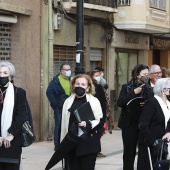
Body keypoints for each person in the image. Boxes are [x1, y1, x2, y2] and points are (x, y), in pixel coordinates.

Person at [60, 74, 103, 170]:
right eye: (77, 84)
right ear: (73, 86)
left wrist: (88, 124)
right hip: (72, 143)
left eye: (83, 84)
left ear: (88, 88)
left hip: (88, 144)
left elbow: (100, 121)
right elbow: (63, 123)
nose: (80, 86)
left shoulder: (94, 101)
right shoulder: (68, 101)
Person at [117, 64, 154, 170]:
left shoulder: (150, 88)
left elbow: (154, 103)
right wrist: (134, 92)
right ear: (137, 75)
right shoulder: (126, 87)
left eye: (148, 74)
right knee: (129, 152)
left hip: (144, 124)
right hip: (129, 124)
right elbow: (120, 102)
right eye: (144, 74)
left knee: (143, 153)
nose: (146, 76)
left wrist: (147, 103)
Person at [138, 78, 170, 170]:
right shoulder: (152, 103)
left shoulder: (168, 103)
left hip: (165, 144)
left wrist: (168, 132)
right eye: (168, 88)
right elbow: (143, 123)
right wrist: (152, 141)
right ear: (162, 89)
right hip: (153, 145)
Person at [0, 61, 27, 170]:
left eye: (5, 73)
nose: (2, 75)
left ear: (10, 76)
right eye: (0, 73)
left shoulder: (19, 92)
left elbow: (21, 115)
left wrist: (11, 134)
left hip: (12, 140)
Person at [46, 64, 71, 150]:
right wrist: (55, 104)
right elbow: (49, 92)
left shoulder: (70, 80)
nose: (68, 71)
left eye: (69, 69)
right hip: (59, 107)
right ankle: (57, 144)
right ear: (61, 71)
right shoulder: (56, 81)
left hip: (69, 106)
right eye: (66, 70)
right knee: (59, 124)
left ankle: (66, 142)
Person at [86, 70, 107, 157]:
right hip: (98, 112)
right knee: (96, 132)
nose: (99, 77)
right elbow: (102, 101)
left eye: (99, 75)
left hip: (94, 112)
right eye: (97, 75)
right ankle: (96, 150)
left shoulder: (98, 86)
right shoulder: (96, 87)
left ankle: (93, 149)